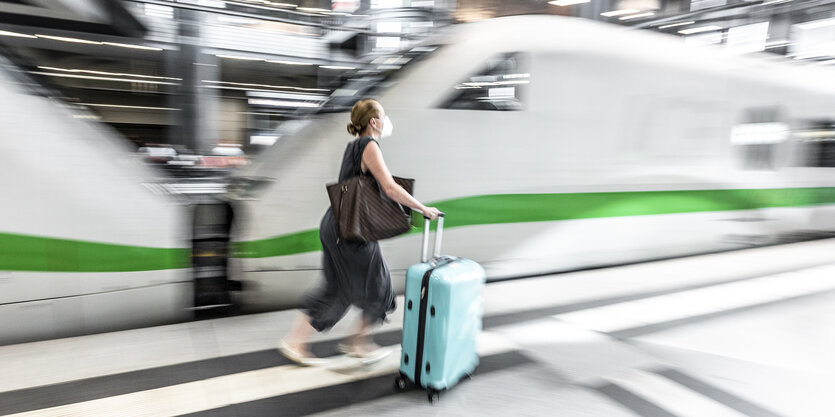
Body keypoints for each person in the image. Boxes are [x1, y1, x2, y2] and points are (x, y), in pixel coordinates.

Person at [279, 99, 441, 365]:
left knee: (337, 288)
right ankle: (357, 343)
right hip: (351, 232)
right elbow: (388, 188)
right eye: (384, 116)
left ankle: (301, 341)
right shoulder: (369, 145)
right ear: (373, 123)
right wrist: (422, 208)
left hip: (335, 225)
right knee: (381, 287)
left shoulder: (354, 146)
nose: (387, 121)